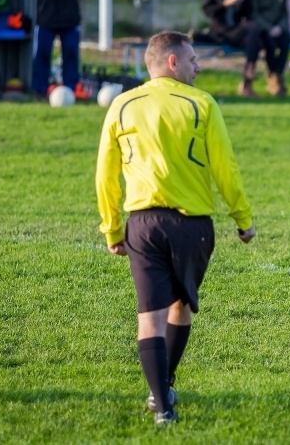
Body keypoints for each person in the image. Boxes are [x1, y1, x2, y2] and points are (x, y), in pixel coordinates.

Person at [95, 30, 256, 425]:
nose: (197, 67)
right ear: (172, 62)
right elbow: (225, 167)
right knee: (180, 308)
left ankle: (162, 405)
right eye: (192, 60)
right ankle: (163, 384)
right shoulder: (201, 103)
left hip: (142, 224)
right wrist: (243, 219)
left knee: (148, 316)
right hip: (192, 226)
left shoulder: (121, 105)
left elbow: (105, 174)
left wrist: (112, 229)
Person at [203, 0, 262, 98]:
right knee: (253, 32)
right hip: (222, 30)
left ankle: (248, 79)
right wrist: (225, 4)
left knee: (254, 37)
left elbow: (249, 14)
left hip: (237, 29)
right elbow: (208, 11)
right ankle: (248, 76)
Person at [248, 0, 290, 97]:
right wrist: (269, 28)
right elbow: (255, 13)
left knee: (286, 44)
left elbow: (286, 12)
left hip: (280, 28)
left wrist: (280, 26)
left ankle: (277, 76)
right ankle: (274, 78)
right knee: (270, 45)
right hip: (264, 29)